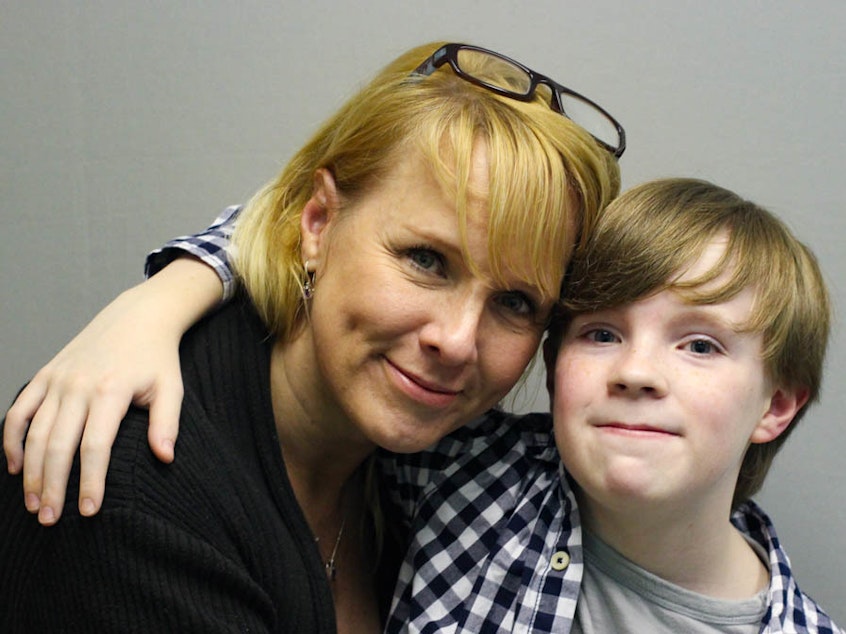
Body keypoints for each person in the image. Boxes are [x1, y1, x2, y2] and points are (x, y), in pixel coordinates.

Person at [0, 41, 622, 632]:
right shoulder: (134, 493)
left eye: (516, 302)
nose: (458, 341)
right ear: (319, 223)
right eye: (426, 261)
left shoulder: (440, 476)